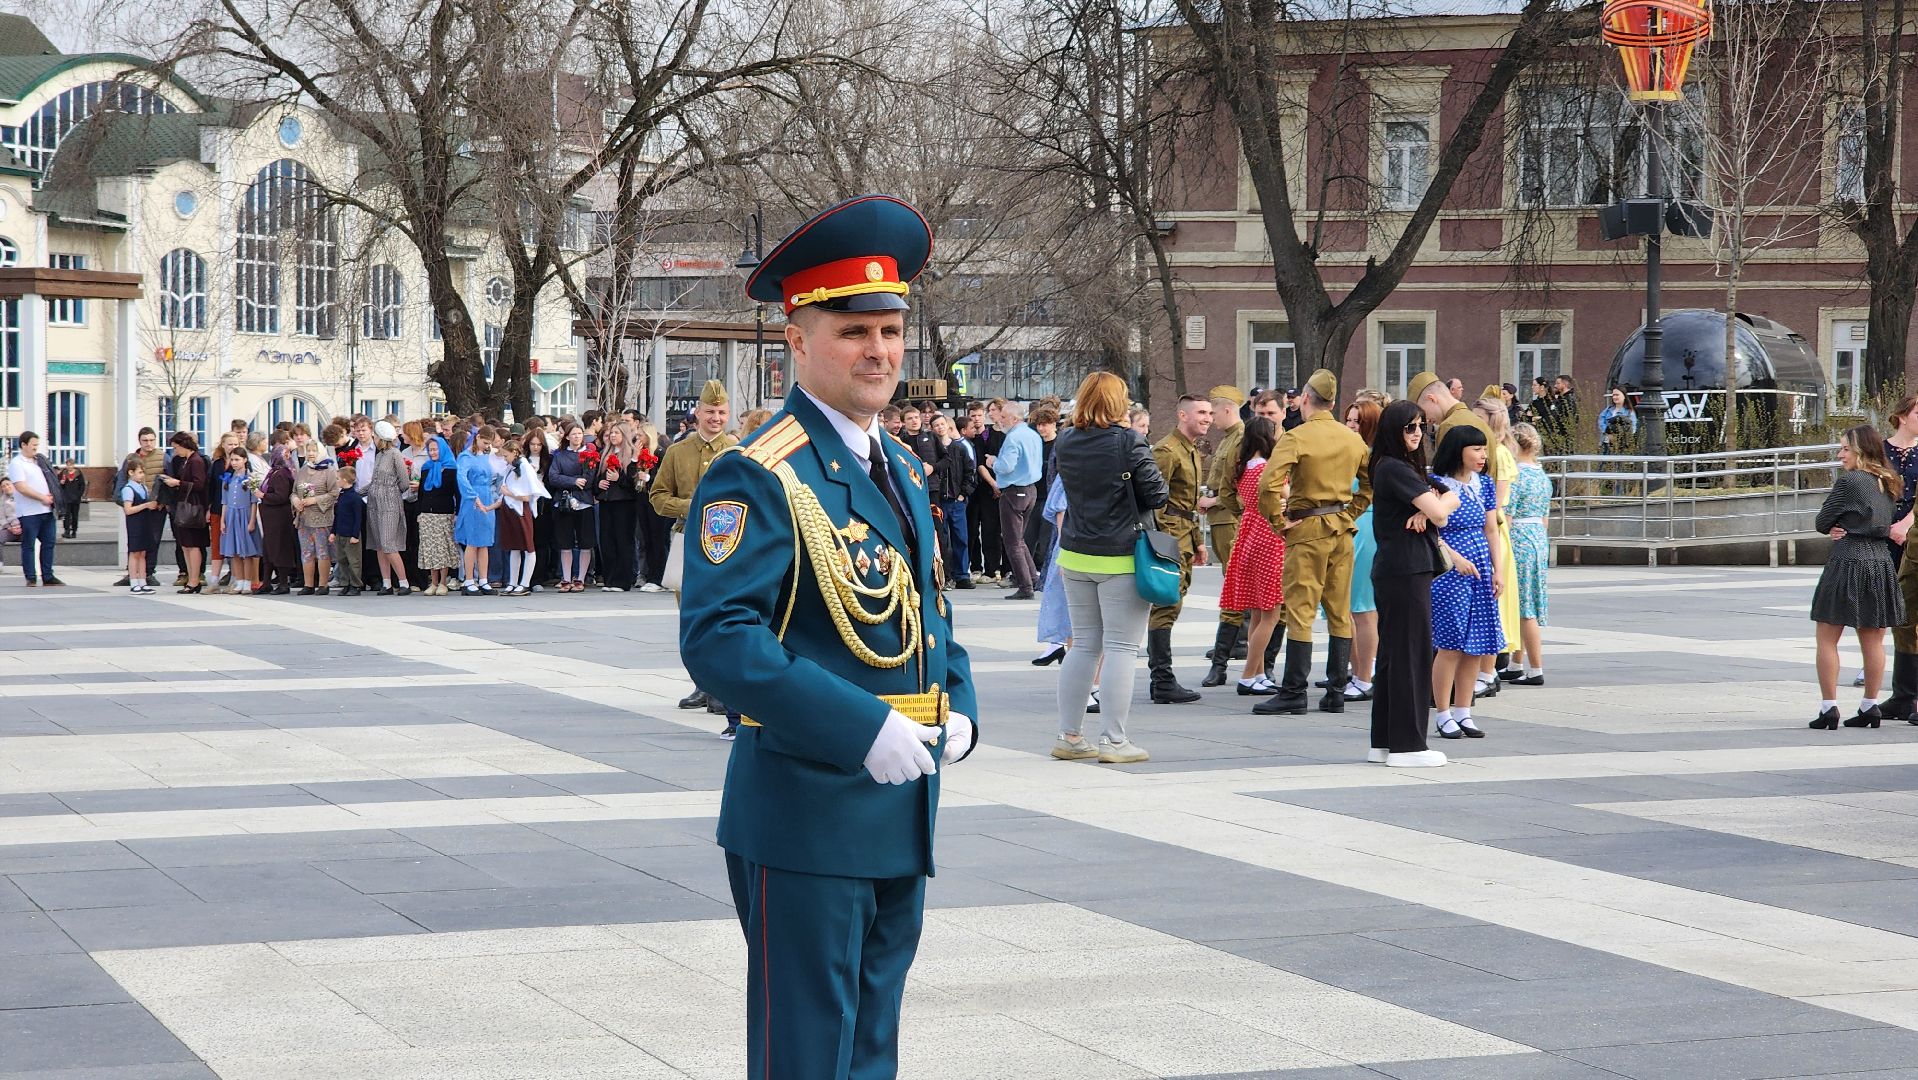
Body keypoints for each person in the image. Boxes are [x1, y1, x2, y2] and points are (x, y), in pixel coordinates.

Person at [682, 194, 978, 1079]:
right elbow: (720, 640)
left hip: (901, 799)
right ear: (796, 341)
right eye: (853, 330)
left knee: (870, 1048)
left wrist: (957, 702)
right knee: (807, 1055)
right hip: (809, 807)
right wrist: (864, 728)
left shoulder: (900, 466)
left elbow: (931, 611)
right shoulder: (758, 472)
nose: (879, 351)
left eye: (890, 330)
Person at [1051, 370, 1165, 761]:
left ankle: (1069, 737)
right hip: (1121, 555)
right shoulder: (1129, 441)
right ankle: (1114, 740)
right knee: (1120, 647)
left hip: (1075, 552)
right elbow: (1156, 493)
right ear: (1119, 403)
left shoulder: (1065, 440)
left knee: (1083, 645)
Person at [1253, 370, 1369, 716]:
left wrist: (1279, 523)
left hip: (1306, 530)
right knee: (1338, 611)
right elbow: (1369, 484)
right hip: (1342, 530)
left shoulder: (1296, 437)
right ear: (1332, 403)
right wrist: (1351, 515)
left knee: (1301, 612)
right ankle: (1336, 690)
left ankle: (1294, 691)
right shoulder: (1352, 439)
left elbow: (1267, 487)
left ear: (1305, 399)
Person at [1811, 425, 1906, 729]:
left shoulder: (1850, 481)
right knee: (1873, 639)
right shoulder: (1889, 480)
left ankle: (1829, 708)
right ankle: (1870, 706)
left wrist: (1838, 527)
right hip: (1880, 560)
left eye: (1845, 449)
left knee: (1827, 636)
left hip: (1848, 558)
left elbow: (1822, 521)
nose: (1840, 455)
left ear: (1861, 450)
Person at [652, 380, 740, 709]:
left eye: (721, 412)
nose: (715, 418)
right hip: (688, 540)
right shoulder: (678, 452)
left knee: (723, 615)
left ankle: (722, 688)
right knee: (691, 616)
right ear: (698, 412)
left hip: (728, 546)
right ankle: (701, 683)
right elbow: (658, 497)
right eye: (710, 412)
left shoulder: (737, 451)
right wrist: (692, 506)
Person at [1428, 425, 1504, 740]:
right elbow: (1430, 532)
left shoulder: (1484, 484)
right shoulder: (1436, 486)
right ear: (1459, 450)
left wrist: (1498, 570)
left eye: (1484, 449)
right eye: (1476, 449)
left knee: (1477, 644)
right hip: (1449, 573)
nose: (1482, 456)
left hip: (1482, 570)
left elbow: (1491, 529)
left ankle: (1464, 711)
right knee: (1450, 643)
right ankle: (1442, 713)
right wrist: (1455, 558)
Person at [1146, 395, 1215, 704]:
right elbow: (1156, 502)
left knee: (1173, 603)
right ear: (1183, 415)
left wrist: (1199, 542)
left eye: (1211, 412)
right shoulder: (1167, 451)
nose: (1208, 418)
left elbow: (1187, 504)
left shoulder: (1190, 450)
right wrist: (1162, 545)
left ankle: (1163, 678)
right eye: (1201, 412)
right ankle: (1161, 679)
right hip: (1170, 539)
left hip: (1184, 535)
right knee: (1166, 604)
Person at [1219, 416, 1285, 696]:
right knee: (1271, 612)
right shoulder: (1267, 469)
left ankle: (1257, 673)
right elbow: (1287, 494)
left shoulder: (1244, 466)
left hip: (1250, 532)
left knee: (1258, 613)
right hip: (1269, 535)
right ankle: (1248, 675)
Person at [1473, 391, 1522, 697]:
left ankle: (1487, 672)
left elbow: (1498, 500)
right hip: (1488, 525)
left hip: (1493, 527)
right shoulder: (1488, 450)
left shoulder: (1499, 454)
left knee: (1493, 602)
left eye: (1478, 419)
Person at [1201, 384, 1249, 687]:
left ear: (1228, 409)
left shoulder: (1242, 438)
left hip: (1230, 516)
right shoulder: (1229, 438)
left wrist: (1214, 501)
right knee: (1231, 579)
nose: (1211, 418)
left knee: (1236, 582)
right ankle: (1235, 640)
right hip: (1221, 517)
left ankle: (1236, 641)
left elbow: (1241, 483)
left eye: (1214, 412)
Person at [1878, 400, 1918, 722]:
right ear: (1902, 416)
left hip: (1912, 539)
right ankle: (1903, 695)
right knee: (1898, 617)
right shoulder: (1880, 450)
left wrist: (1906, 526)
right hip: (1884, 537)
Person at [1342, 396, 1385, 702]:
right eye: (1349, 419)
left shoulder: (1371, 456)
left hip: (1365, 528)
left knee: (1362, 608)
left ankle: (1363, 676)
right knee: (1354, 608)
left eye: (1358, 421)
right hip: (1355, 526)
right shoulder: (1355, 452)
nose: (1352, 425)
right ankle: (1359, 672)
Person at [1504, 423, 1552, 686]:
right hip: (1537, 538)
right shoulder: (1541, 475)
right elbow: (1545, 518)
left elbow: (1508, 516)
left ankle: (1535, 667)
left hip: (1519, 538)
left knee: (1523, 607)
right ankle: (1516, 662)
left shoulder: (1516, 476)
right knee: (1528, 600)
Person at [988, 399, 1044, 600]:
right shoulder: (1032, 434)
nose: (1000, 420)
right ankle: (1032, 580)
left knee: (1012, 542)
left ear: (1013, 418)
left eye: (1003, 417)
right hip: (1030, 490)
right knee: (1020, 540)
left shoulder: (1013, 438)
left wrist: (994, 462)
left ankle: (1025, 587)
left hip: (1014, 491)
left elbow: (1006, 466)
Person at [545, 422, 597, 592]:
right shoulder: (559, 456)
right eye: (573, 434)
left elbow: (589, 479)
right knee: (564, 542)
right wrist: (573, 480)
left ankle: (580, 578)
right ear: (567, 436)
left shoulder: (589, 454)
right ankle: (566, 578)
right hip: (563, 502)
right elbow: (553, 477)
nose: (577, 437)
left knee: (585, 542)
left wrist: (573, 480)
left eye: (579, 433)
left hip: (584, 503)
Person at [366, 420, 414, 595]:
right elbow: (373, 481)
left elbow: (404, 481)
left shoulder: (395, 454)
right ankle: (386, 583)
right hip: (374, 503)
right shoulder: (379, 455)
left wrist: (390, 492)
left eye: (376, 436)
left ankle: (404, 582)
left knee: (388, 544)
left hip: (390, 503)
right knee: (379, 544)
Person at [8, 433, 63, 586]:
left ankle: (48, 576)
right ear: (23, 445)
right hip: (29, 512)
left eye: (37, 445)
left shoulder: (40, 461)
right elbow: (21, 487)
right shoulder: (17, 463)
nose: (35, 448)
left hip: (46, 510)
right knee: (29, 545)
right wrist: (42, 497)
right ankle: (31, 577)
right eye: (33, 444)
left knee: (49, 543)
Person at [455, 427, 503, 596]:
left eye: (489, 443)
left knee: (485, 541)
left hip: (487, 496)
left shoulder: (485, 456)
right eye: (484, 442)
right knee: (472, 541)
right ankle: (469, 580)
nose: (486, 446)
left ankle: (483, 579)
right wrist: (473, 497)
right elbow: (461, 478)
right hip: (473, 499)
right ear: (477, 438)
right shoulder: (465, 456)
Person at [594, 423, 642, 592]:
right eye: (611, 433)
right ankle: (610, 579)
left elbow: (633, 483)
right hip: (606, 501)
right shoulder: (604, 454)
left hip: (624, 503)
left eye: (616, 432)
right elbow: (596, 479)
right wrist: (598, 484)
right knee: (607, 540)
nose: (613, 436)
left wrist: (618, 478)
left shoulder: (631, 455)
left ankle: (623, 580)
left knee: (623, 541)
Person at [929, 413, 975, 588]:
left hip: (956, 500)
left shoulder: (959, 448)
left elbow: (970, 472)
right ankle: (945, 575)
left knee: (961, 538)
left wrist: (964, 493)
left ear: (948, 426)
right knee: (942, 539)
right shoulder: (932, 448)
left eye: (942, 424)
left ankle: (962, 575)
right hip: (939, 500)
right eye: (936, 425)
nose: (940, 428)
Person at [162, 432, 210, 593]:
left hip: (194, 507)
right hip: (185, 505)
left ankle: (194, 580)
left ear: (184, 445)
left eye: (176, 447)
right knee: (185, 545)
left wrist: (178, 483)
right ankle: (191, 578)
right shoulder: (187, 460)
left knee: (193, 544)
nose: (175, 451)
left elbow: (199, 484)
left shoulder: (196, 461)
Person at [291, 437, 339, 595]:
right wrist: (296, 500)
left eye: (314, 450)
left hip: (321, 517)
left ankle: (323, 584)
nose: (310, 453)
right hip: (304, 518)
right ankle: (308, 584)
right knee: (306, 552)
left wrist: (315, 500)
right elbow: (293, 491)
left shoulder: (328, 469)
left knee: (322, 551)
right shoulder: (303, 470)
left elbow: (334, 493)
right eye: (308, 450)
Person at [500, 435, 547, 595]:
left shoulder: (525, 467)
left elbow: (529, 494)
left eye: (506, 455)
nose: (505, 459)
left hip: (521, 510)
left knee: (528, 548)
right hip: (510, 510)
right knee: (514, 547)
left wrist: (510, 494)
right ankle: (513, 582)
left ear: (514, 452)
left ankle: (525, 583)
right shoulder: (511, 467)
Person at [1032, 473, 1071, 666]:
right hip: (1080, 546)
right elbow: (1060, 509)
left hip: (1077, 545)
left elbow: (1059, 509)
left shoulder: (1074, 462)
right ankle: (1091, 686)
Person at [413, 435, 459, 595]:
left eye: (435, 449)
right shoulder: (426, 467)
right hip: (427, 513)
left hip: (444, 513)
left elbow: (456, 493)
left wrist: (457, 512)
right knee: (430, 550)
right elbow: (421, 493)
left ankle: (442, 583)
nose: (432, 453)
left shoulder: (451, 468)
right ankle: (432, 582)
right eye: (430, 450)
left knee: (442, 549)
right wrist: (419, 512)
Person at [966, 404, 1006, 584]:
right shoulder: (967, 438)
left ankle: (994, 568)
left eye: (979, 415)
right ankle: (976, 567)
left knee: (993, 530)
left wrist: (996, 485)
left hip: (993, 489)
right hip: (974, 489)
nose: (976, 418)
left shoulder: (993, 435)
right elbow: (980, 464)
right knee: (972, 530)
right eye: (972, 415)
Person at [218, 447, 263, 595]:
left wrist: (251, 521)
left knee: (246, 552)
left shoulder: (250, 477)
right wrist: (223, 521)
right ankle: (239, 581)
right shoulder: (228, 478)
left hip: (245, 515)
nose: (234, 462)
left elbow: (253, 502)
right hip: (231, 515)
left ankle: (248, 582)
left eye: (237, 459)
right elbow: (224, 502)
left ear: (245, 460)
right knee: (235, 552)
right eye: (232, 459)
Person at [1408, 371, 1491, 449]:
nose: (1425, 420)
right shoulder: (1481, 423)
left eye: (1422, 412)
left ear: (1431, 399)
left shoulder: (1449, 427)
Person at [257, 442, 299, 595]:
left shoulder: (282, 473)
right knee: (269, 549)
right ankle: (266, 582)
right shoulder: (275, 471)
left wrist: (264, 496)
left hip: (279, 517)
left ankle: (283, 583)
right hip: (270, 517)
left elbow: (281, 496)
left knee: (280, 548)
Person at [119, 455, 163, 594]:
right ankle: (133, 581)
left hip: (145, 522)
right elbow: (128, 509)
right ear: (131, 472)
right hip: (135, 524)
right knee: (134, 553)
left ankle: (143, 581)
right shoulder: (128, 489)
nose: (142, 475)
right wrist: (145, 505)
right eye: (139, 472)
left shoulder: (142, 487)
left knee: (143, 553)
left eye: (143, 472)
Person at [332, 465, 366, 596]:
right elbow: (338, 515)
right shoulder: (342, 495)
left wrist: (355, 535)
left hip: (351, 535)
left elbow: (358, 518)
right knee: (342, 560)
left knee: (354, 561)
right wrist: (333, 532)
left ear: (345, 480)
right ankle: (345, 583)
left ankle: (356, 585)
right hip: (341, 533)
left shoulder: (355, 498)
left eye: (338, 479)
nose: (337, 481)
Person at [1598, 387, 1638, 453]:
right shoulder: (1608, 410)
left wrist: (1618, 435)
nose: (1615, 397)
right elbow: (1601, 421)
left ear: (1624, 396)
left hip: (1621, 445)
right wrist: (1607, 432)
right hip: (1606, 443)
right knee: (1605, 461)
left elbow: (1633, 429)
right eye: (1613, 395)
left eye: (1617, 395)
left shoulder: (1629, 412)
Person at [55, 460, 84, 539]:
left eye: (71, 465)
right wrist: (61, 483)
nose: (69, 467)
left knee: (75, 516)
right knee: (66, 515)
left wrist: (79, 495)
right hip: (66, 498)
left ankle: (74, 531)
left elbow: (82, 486)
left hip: (75, 499)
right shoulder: (63, 473)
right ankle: (66, 531)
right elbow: (57, 484)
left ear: (73, 465)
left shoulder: (78, 474)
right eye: (68, 465)